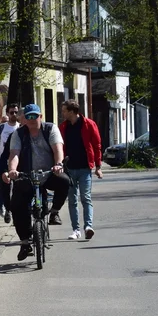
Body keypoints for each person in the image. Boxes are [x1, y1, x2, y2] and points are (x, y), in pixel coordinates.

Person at [3, 103, 70, 261]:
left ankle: (54, 212)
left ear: (41, 116)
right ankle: (25, 242)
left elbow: (58, 149)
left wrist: (58, 164)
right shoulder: (18, 134)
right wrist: (12, 170)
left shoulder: (50, 129)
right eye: (29, 117)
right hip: (27, 174)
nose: (32, 119)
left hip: (49, 172)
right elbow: (14, 154)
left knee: (64, 181)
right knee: (17, 205)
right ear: (24, 119)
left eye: (35, 116)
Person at [59, 99, 103, 240]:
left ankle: (88, 226)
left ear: (72, 111)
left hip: (85, 168)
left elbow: (97, 145)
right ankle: (75, 230)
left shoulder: (88, 124)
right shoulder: (64, 127)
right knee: (72, 200)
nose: (62, 113)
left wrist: (98, 166)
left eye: (64, 110)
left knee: (86, 198)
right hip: (69, 169)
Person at [0, 103, 22, 224]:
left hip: (17, 162)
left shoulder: (21, 128)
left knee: (18, 189)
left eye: (16, 112)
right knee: (5, 188)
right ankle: (8, 209)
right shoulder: (1, 128)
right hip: (2, 162)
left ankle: (16, 213)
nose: (14, 114)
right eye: (11, 112)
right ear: (7, 114)